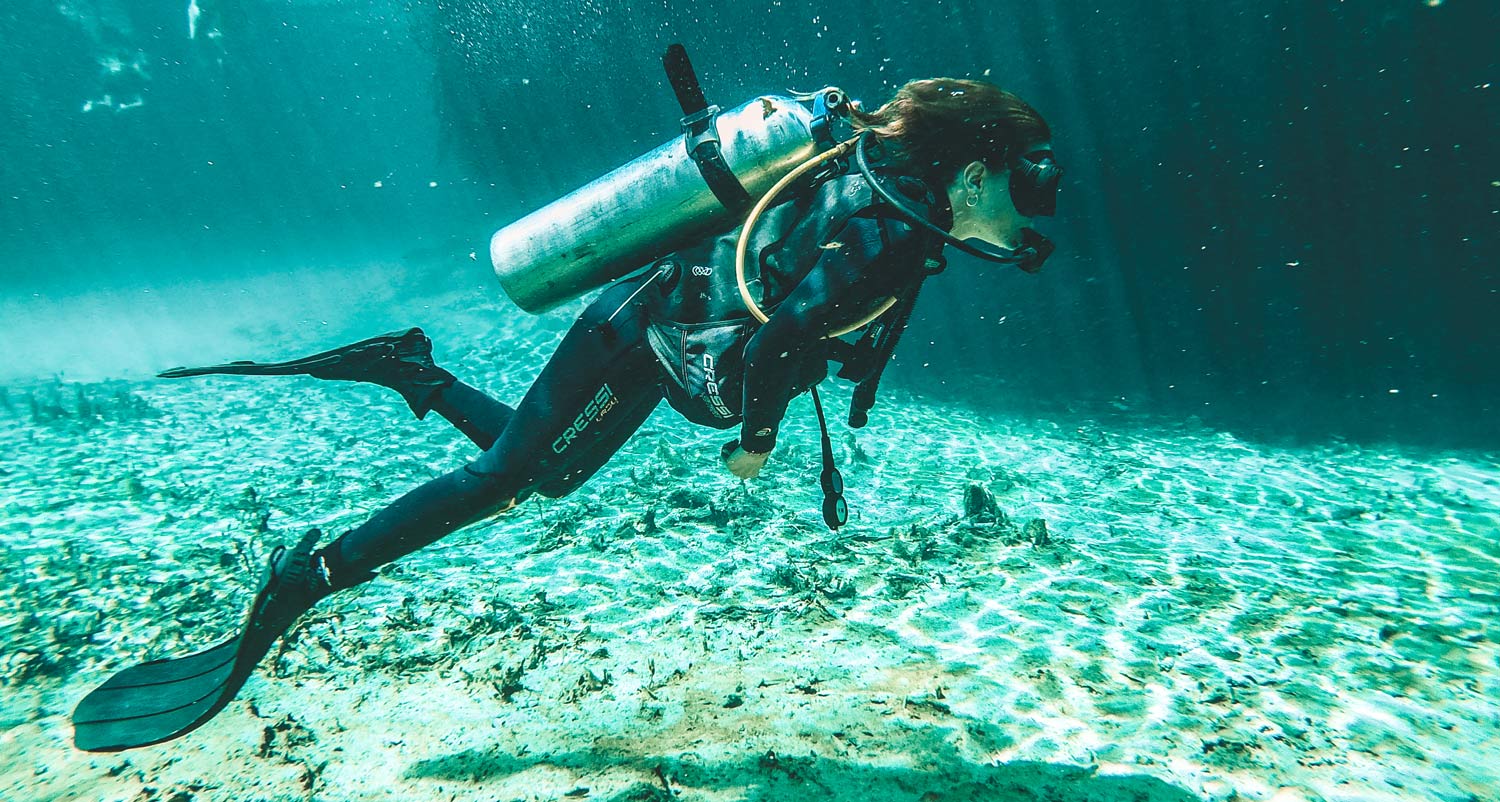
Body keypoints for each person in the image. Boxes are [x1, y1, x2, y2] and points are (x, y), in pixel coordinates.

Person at [70, 77, 1062, 751]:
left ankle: (412, 370)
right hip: (646, 328)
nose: (1029, 223)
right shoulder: (889, 233)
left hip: (670, 329)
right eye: (1024, 193)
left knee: (538, 474)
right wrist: (759, 441)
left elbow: (794, 321)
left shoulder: (896, 211)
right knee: (502, 481)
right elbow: (781, 342)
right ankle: (307, 578)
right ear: (971, 176)